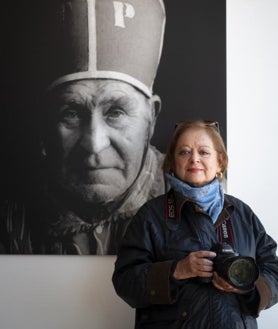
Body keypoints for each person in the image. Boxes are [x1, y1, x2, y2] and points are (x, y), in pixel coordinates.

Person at [0, 0, 166, 254]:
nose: (94, 142)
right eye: (71, 113)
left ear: (151, 118)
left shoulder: (205, 206)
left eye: (116, 112)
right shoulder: (10, 216)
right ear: (45, 121)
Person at [112, 120, 278, 329]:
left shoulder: (242, 213)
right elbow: (124, 281)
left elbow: (274, 269)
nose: (194, 159)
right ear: (172, 162)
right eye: (184, 152)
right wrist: (178, 270)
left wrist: (246, 287)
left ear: (220, 161)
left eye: (204, 152)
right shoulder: (151, 215)